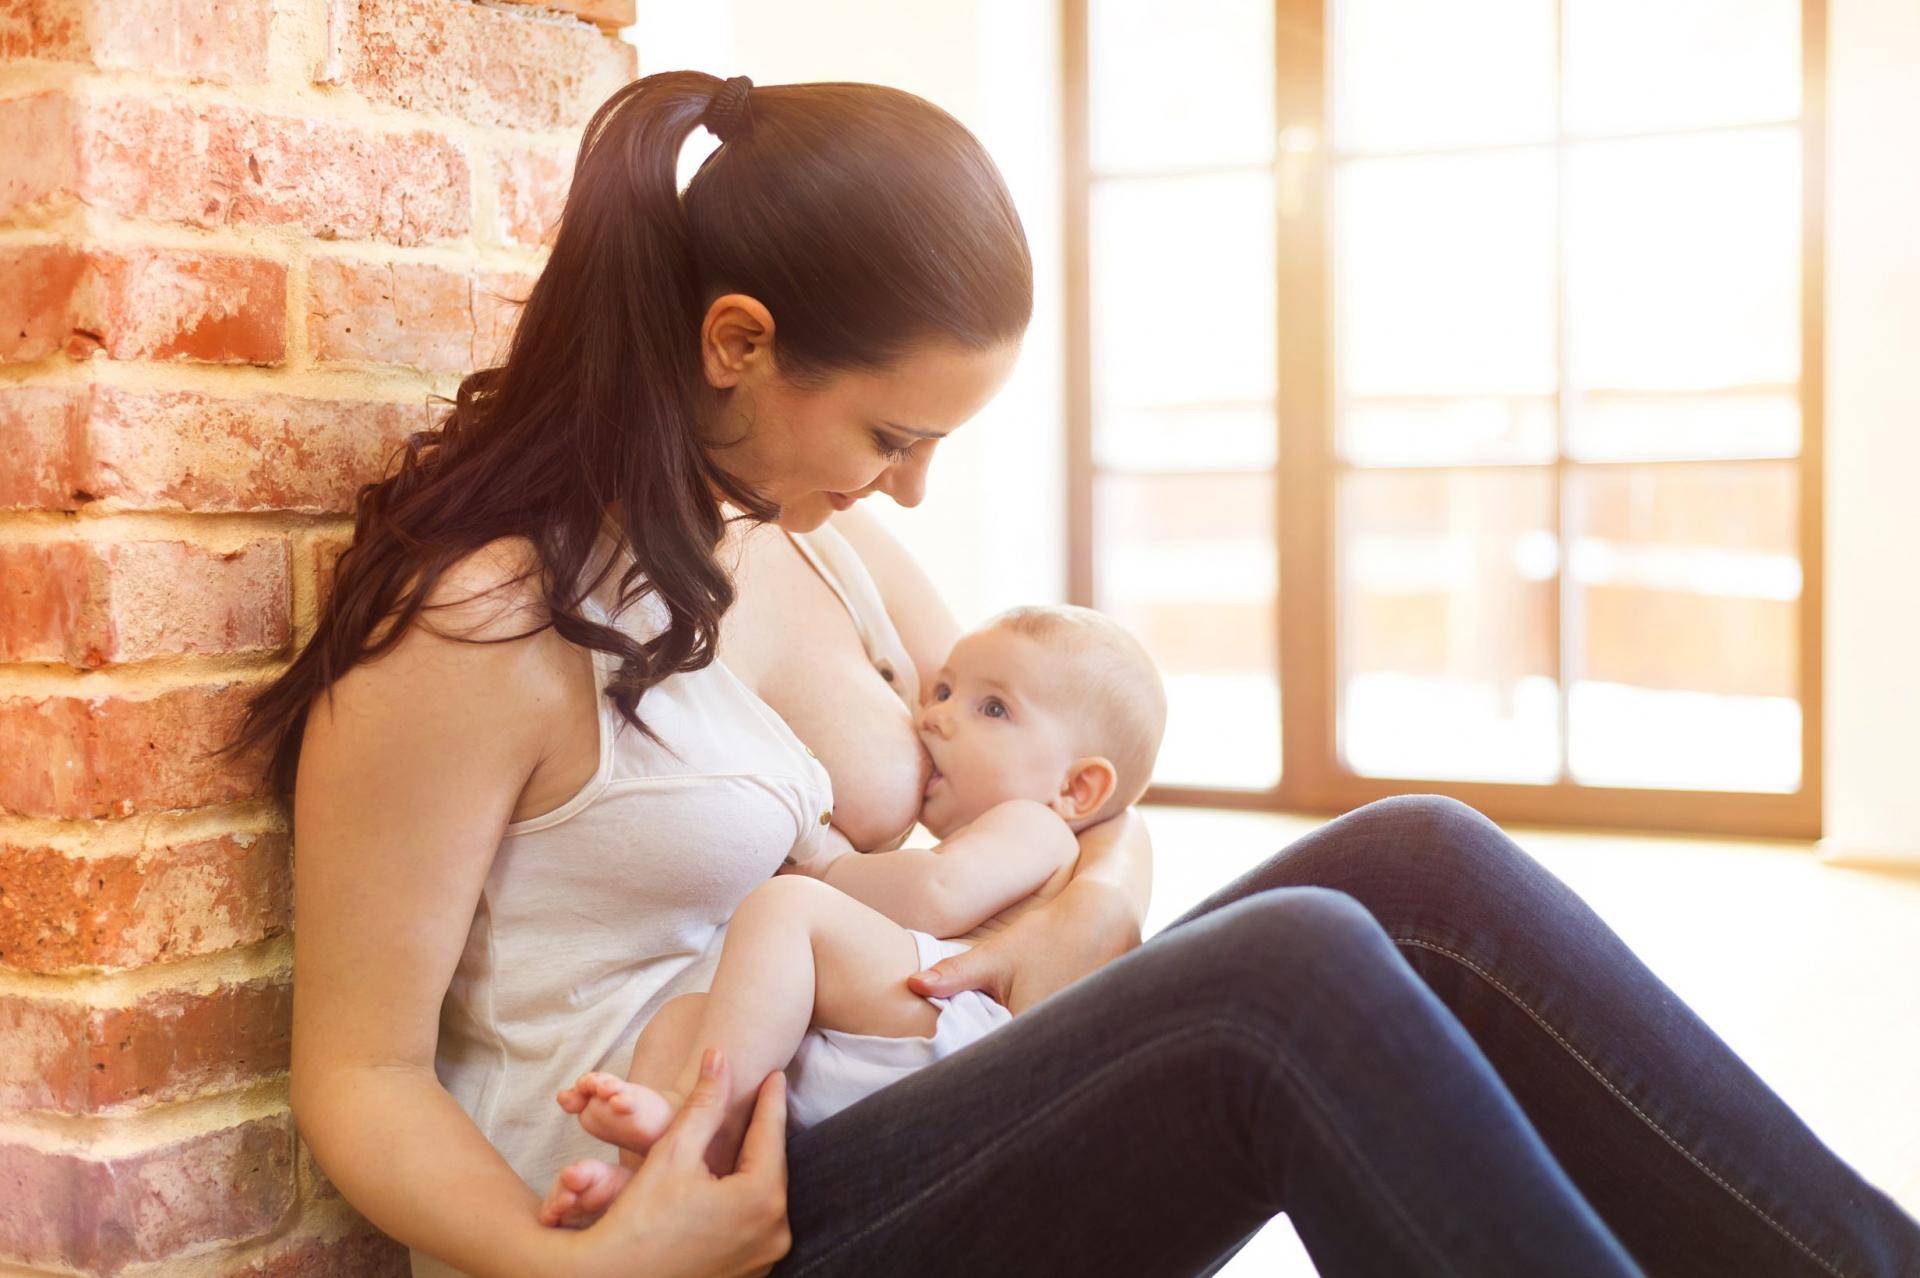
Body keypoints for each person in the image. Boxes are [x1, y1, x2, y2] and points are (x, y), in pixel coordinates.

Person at [222, 69, 1920, 1277]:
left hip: (910, 1083)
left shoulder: (823, 545)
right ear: (737, 342)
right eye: (892, 432)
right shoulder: (484, 625)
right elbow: (356, 1076)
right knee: (1290, 979)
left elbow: (1081, 790)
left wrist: (1073, 914)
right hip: (724, 1217)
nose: (914, 489)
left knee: (1418, 858)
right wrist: (565, 1263)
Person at [535, 604, 1168, 1223]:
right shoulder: (1009, 828)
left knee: (789, 907)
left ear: (1076, 789)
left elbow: (935, 894)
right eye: (942, 690)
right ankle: (661, 1187)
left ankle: (694, 1117)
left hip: (965, 1024)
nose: (937, 716)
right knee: (684, 1021)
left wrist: (824, 865)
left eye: (992, 708)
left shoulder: (1038, 826)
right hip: (906, 1032)